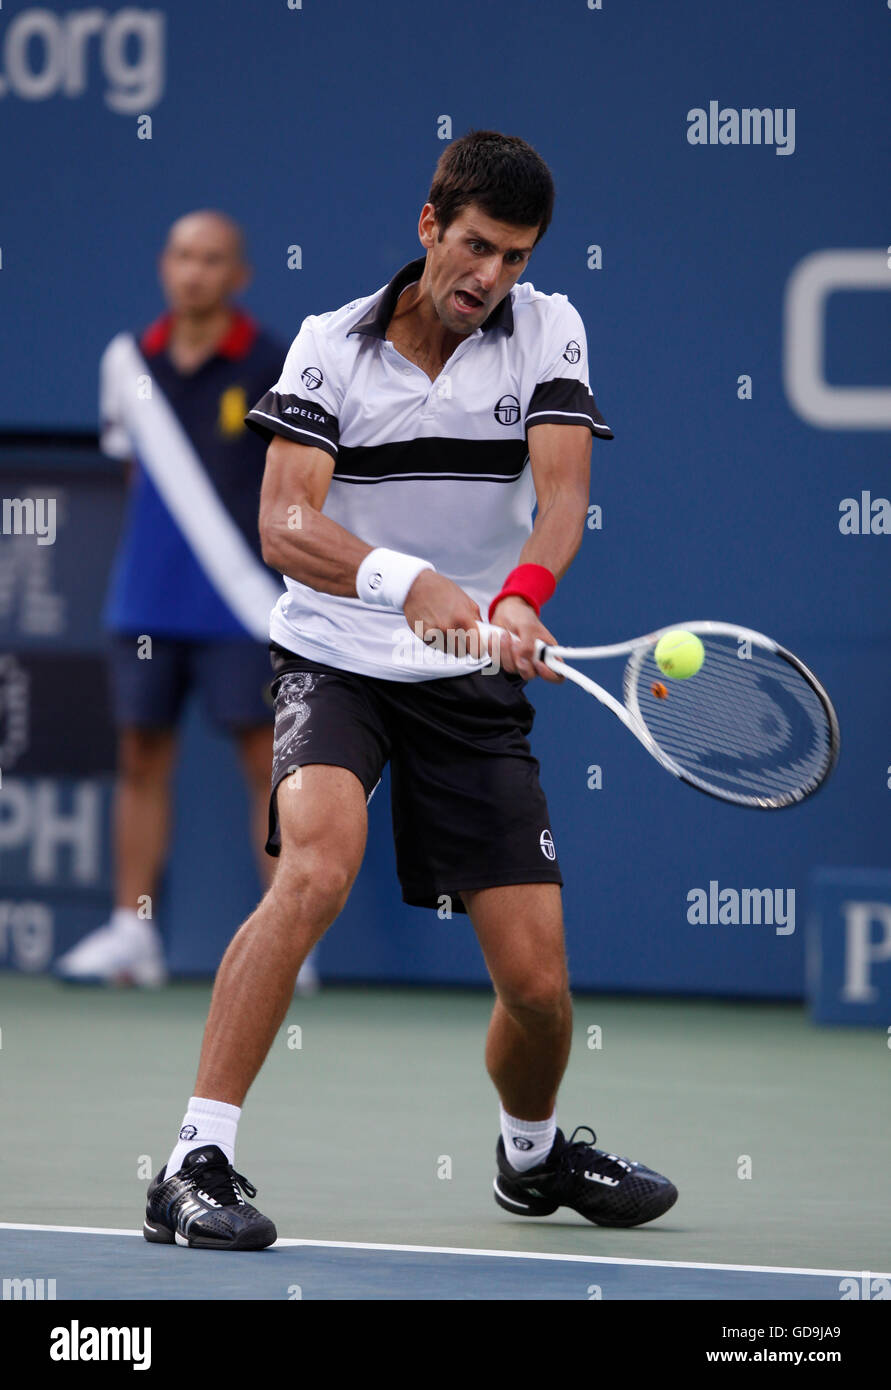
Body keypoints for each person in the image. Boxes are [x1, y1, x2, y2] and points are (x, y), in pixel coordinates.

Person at [142, 134, 677, 1251]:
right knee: (314, 870)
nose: (490, 276)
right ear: (430, 225)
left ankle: (529, 1160)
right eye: (476, 245)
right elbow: (285, 524)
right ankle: (195, 1161)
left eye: (515, 257)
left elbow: (563, 498)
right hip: (334, 656)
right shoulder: (328, 348)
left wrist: (520, 598)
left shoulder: (550, 329)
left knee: (537, 985)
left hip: (471, 673)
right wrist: (405, 580)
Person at [56, 210, 318, 995]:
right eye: (180, 256)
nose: (193, 272)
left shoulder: (276, 362)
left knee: (265, 767)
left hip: (245, 607)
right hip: (146, 601)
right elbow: (138, 472)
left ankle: (285, 938)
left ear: (238, 275)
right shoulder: (125, 361)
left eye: (210, 260)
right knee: (139, 760)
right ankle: (133, 935)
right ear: (165, 267)